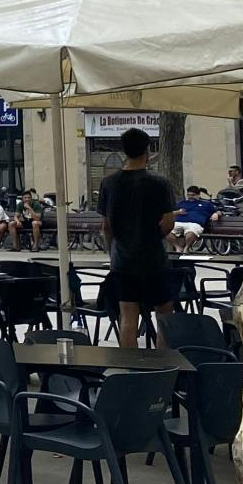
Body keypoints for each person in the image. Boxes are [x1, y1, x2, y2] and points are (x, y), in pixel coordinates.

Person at [97, 127, 178, 347]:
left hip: (122, 260)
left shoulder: (109, 183)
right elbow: (169, 223)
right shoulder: (160, 183)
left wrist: (112, 250)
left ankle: (129, 364)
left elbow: (106, 226)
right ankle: (163, 361)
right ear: (147, 151)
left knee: (127, 315)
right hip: (153, 258)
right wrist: (154, 235)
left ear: (124, 151)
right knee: (164, 316)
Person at [170, 186, 218, 252]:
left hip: (194, 223)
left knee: (191, 232)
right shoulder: (182, 203)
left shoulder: (206, 204)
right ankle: (178, 247)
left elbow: (218, 211)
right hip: (179, 222)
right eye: (189, 195)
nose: (190, 197)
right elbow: (171, 212)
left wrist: (216, 214)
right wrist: (177, 212)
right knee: (167, 230)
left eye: (193, 195)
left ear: (198, 195)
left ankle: (186, 248)